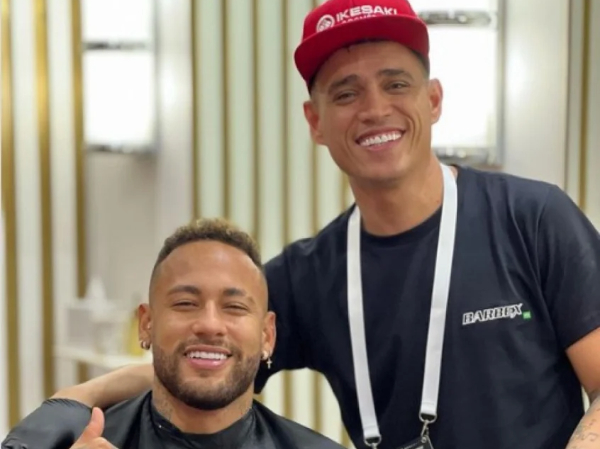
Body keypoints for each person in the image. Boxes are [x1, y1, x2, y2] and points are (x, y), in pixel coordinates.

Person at [5, 0, 600, 448]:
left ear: (434, 100)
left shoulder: (532, 219)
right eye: (346, 94)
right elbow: (207, 353)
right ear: (315, 122)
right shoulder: (309, 274)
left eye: (396, 84)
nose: (375, 109)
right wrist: (73, 402)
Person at [2, 218, 344, 449]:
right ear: (147, 324)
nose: (210, 324)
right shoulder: (79, 441)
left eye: (234, 307)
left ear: (267, 335)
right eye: (185, 303)